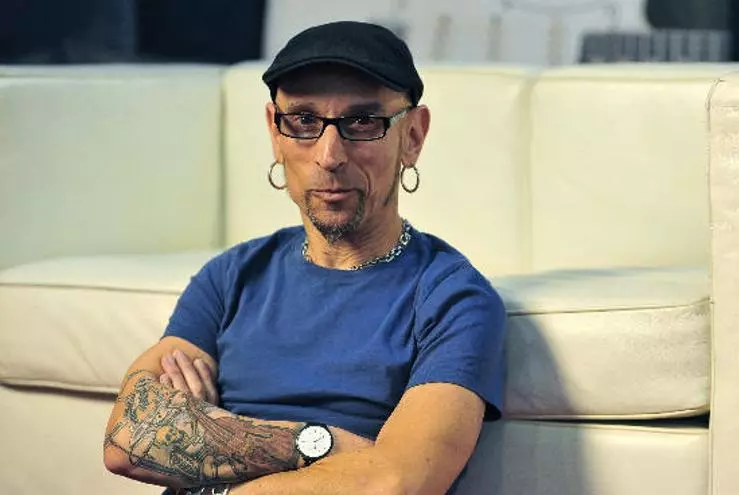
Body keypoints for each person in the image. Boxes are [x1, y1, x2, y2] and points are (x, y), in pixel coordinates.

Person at [103, 20, 506, 495]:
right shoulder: (231, 276)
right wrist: (320, 443)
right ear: (275, 134)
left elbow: (397, 481)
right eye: (303, 121)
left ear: (413, 136)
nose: (329, 155)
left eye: (363, 122)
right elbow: (127, 439)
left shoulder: (453, 298)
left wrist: (211, 436)